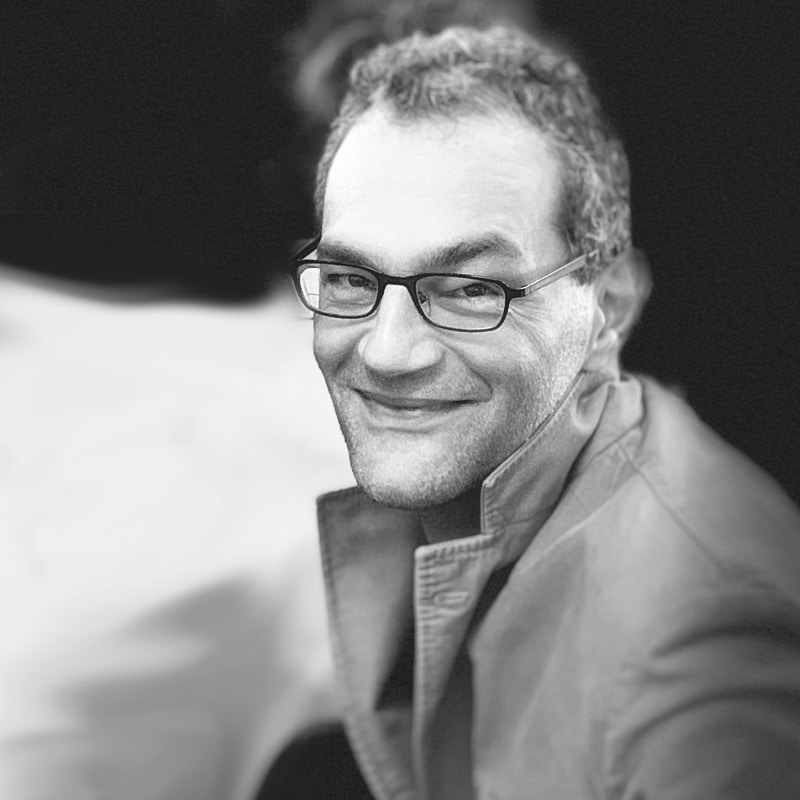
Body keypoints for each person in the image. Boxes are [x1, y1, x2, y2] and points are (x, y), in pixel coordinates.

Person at [287, 25, 800, 800]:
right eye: (351, 279)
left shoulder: (702, 640)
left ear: (610, 305)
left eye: (471, 290)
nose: (389, 352)